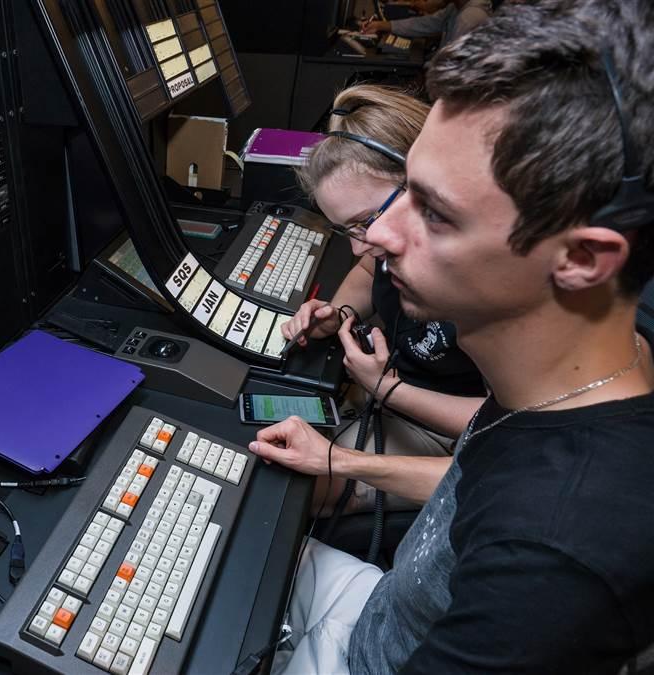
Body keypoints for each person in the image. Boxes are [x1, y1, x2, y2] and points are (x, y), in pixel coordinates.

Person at [252, 0, 654, 672]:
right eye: (405, 190)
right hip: (381, 612)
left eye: (434, 213)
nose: (378, 236)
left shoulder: (552, 558)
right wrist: (345, 470)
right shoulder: (560, 379)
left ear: (581, 260)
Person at [284, 84, 485, 516]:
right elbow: (363, 270)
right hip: (380, 394)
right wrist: (339, 314)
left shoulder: (484, 280)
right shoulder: (391, 242)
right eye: (348, 231)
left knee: (290, 489)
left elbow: (508, 428)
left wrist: (387, 389)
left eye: (366, 222)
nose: (361, 247)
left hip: (445, 434)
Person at [360, 0, 491, 48]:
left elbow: (455, 72)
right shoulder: (455, 8)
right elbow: (425, 24)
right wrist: (381, 25)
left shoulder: (470, 17)